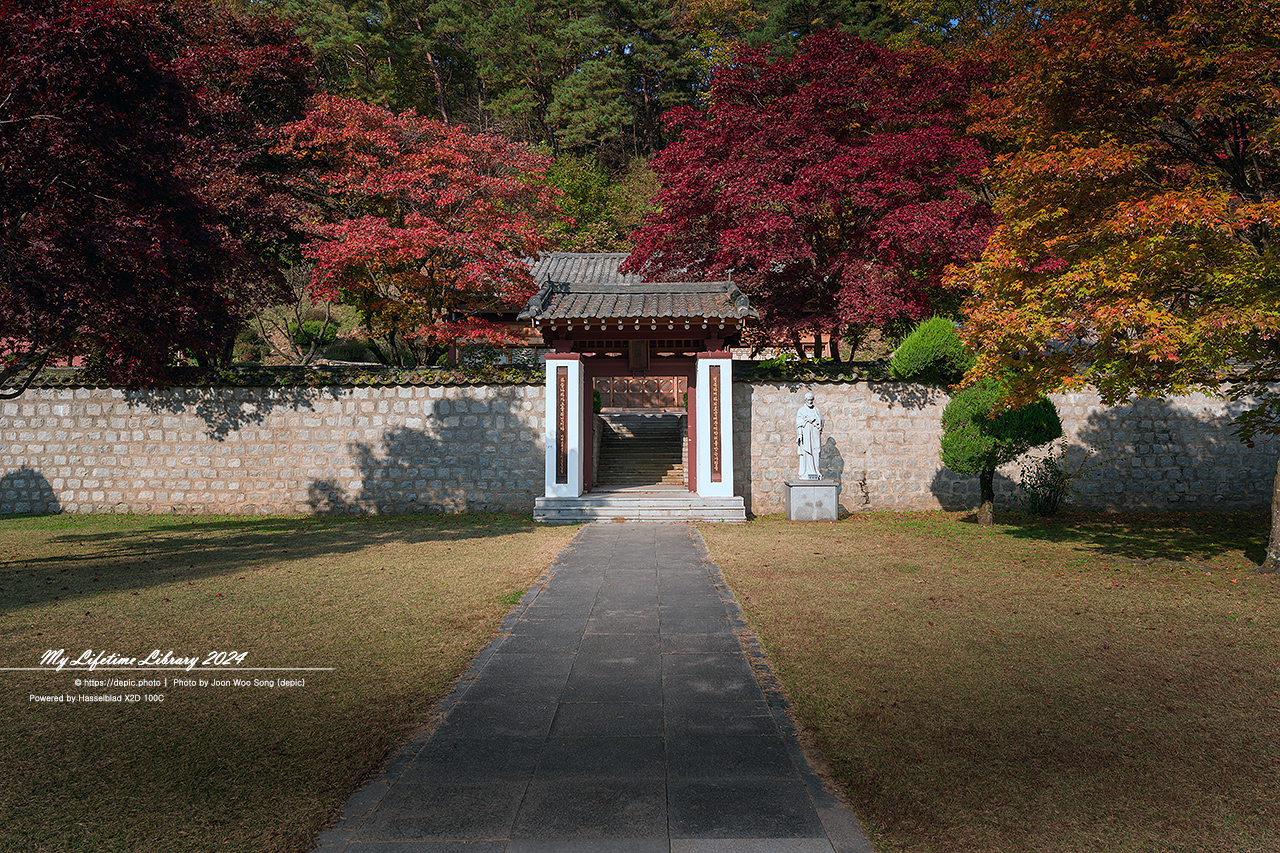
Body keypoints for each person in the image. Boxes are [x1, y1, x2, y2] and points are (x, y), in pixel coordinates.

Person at [796, 392, 823, 479]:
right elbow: (799, 423)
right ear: (805, 400)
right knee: (807, 452)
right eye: (808, 400)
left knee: (816, 451)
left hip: (815, 434)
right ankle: (806, 472)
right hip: (806, 434)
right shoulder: (801, 410)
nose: (810, 402)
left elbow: (821, 421)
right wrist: (800, 434)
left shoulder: (816, 410)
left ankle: (815, 471)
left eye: (811, 400)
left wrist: (815, 420)